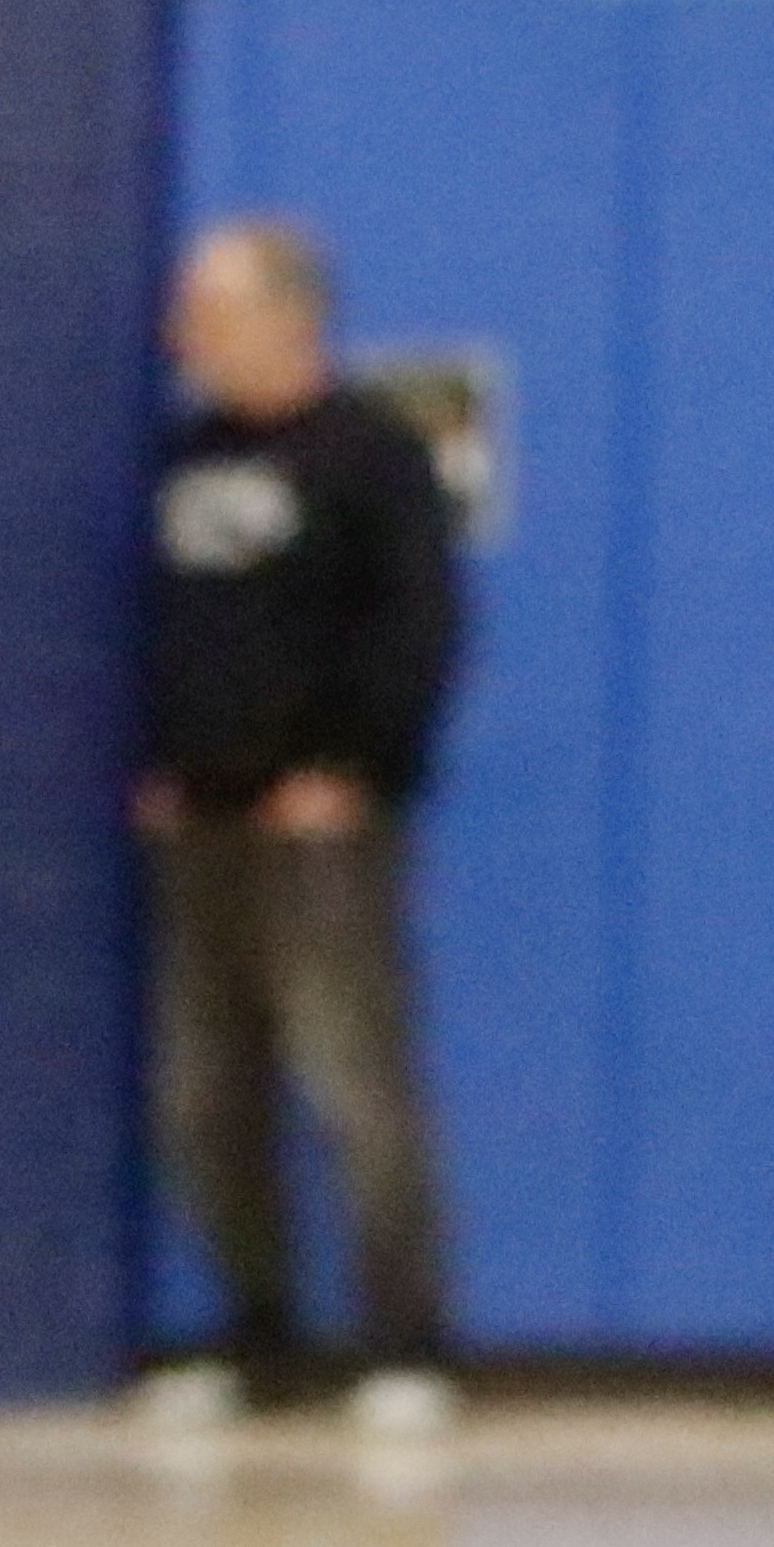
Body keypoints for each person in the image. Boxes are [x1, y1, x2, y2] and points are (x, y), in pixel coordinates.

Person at [134, 218, 465, 1442]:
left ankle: (403, 1346)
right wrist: (165, 766)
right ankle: (258, 1341)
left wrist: (356, 769)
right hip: (199, 826)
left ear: (290, 318)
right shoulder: (188, 452)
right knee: (205, 1094)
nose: (186, 338)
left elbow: (420, 627)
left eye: (209, 312)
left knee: (354, 1082)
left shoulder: (371, 455)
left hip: (323, 831)